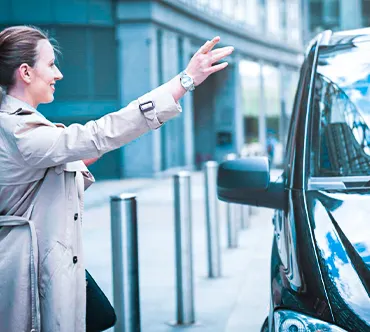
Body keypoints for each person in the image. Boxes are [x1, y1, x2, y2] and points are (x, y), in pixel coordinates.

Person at [0, 25, 233, 331]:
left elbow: (81, 151)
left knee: (101, 317)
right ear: (26, 73)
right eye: (51, 65)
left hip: (51, 263)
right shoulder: (18, 130)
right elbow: (96, 136)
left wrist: (109, 140)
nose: (58, 75)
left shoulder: (25, 126)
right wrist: (184, 81)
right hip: (30, 274)